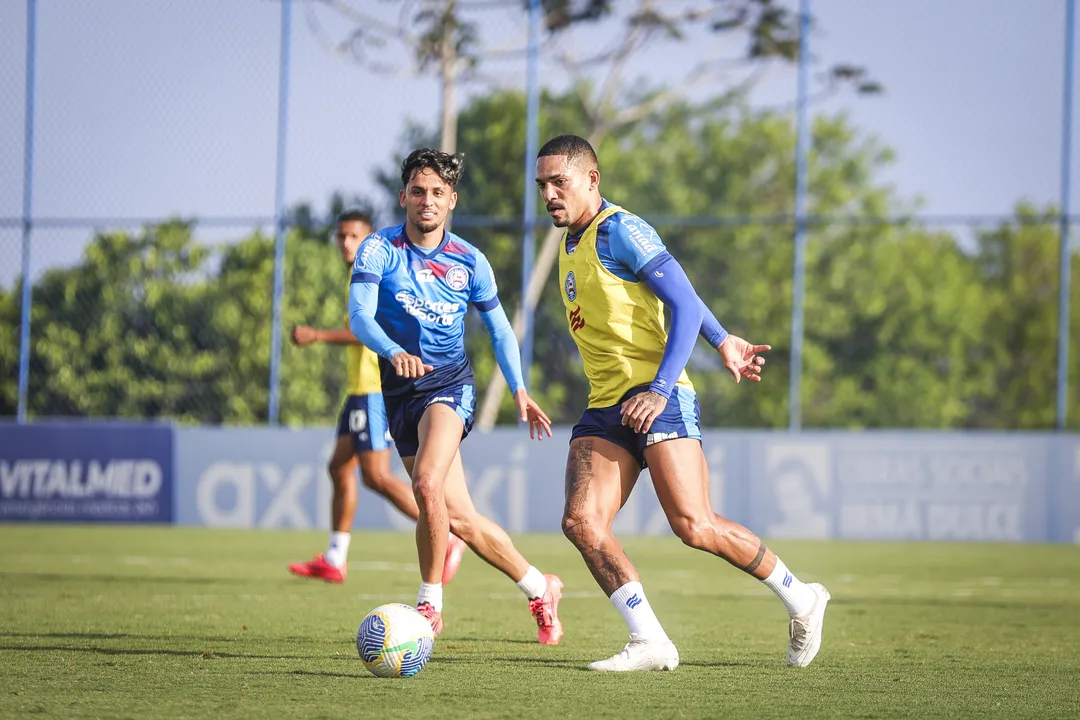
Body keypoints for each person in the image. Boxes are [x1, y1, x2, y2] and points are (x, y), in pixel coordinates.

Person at [535, 134, 830, 671]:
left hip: (659, 396)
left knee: (694, 526)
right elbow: (686, 302)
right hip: (607, 405)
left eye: (561, 182)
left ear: (592, 179)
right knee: (581, 522)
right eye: (543, 186)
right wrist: (724, 340)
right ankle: (649, 640)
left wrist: (662, 386)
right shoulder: (568, 244)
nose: (550, 194)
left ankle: (803, 598)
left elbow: (684, 303)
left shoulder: (619, 229)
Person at [348, 148, 564, 645]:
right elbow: (359, 316)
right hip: (399, 391)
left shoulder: (469, 260)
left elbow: (500, 330)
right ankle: (540, 585)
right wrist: (391, 349)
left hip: (448, 386)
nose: (427, 201)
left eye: (438, 193)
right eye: (418, 191)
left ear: (452, 201)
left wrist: (519, 389)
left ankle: (429, 604)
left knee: (425, 483)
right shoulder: (379, 249)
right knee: (461, 518)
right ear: (404, 196)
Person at [288, 209, 467, 585]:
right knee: (339, 466)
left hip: (375, 389)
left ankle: (446, 533)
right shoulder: (358, 275)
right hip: (357, 391)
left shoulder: (382, 267)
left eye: (354, 236)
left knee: (376, 475)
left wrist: (318, 336)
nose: (346, 243)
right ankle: (336, 556)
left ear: (370, 239)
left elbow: (365, 328)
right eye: (341, 236)